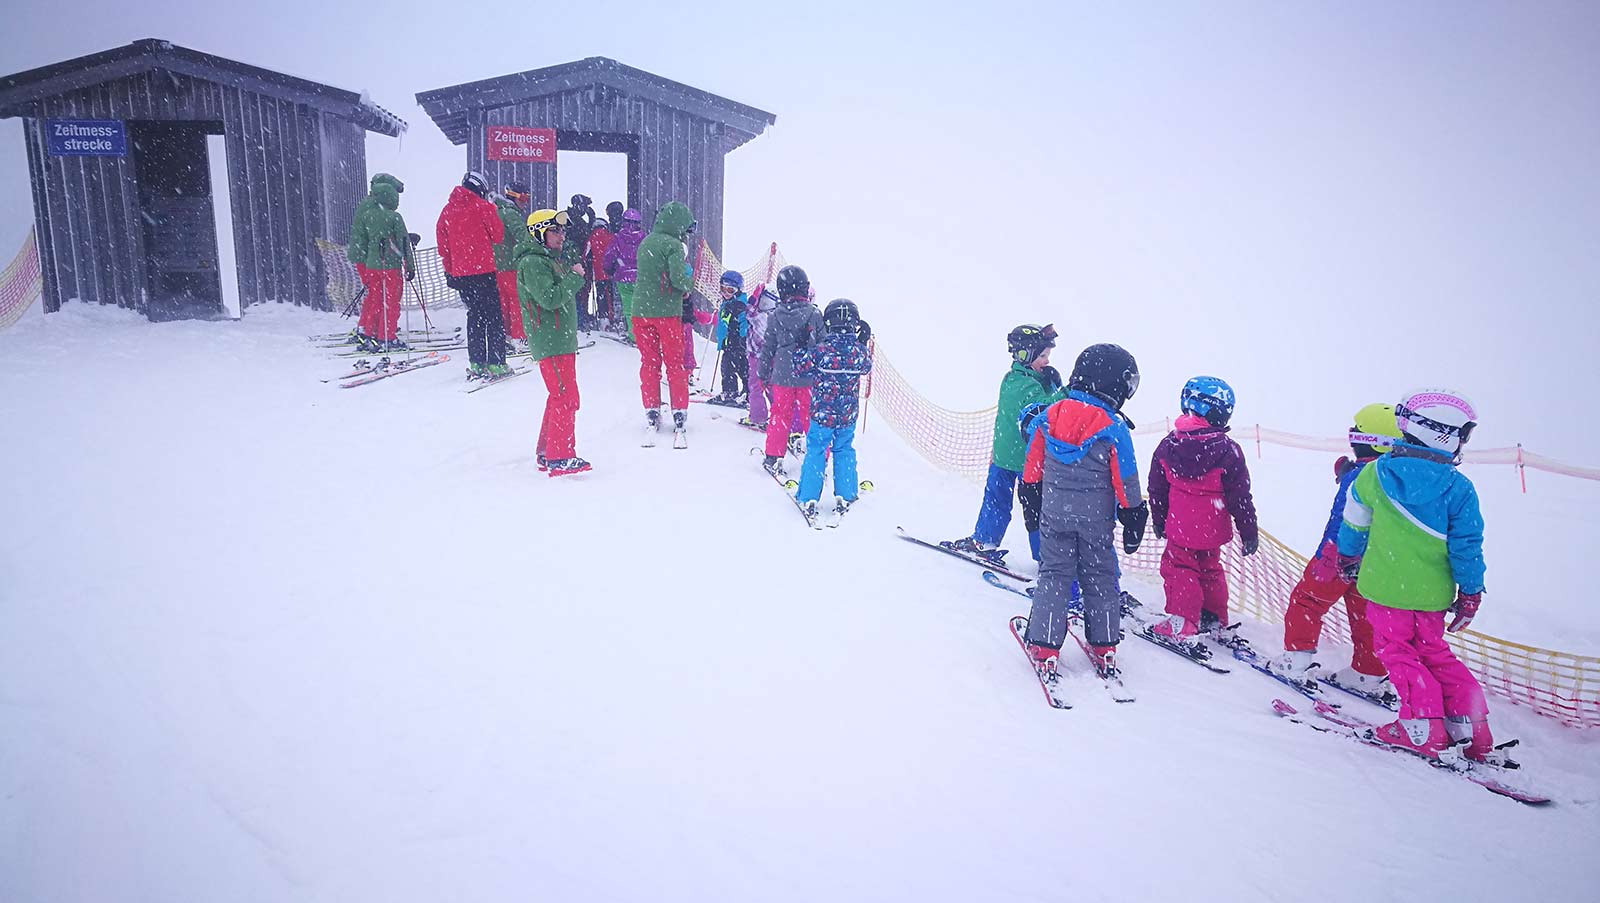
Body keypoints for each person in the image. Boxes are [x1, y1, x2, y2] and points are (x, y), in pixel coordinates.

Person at [1336, 389, 1502, 764]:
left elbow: (1354, 521)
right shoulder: (1459, 488)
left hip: (1385, 591)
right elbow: (1467, 547)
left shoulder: (1375, 474)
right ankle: (1470, 726)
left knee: (1398, 653)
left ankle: (1423, 727)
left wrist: (1348, 556)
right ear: (1445, 435)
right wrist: (1471, 591)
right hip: (1431, 596)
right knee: (1434, 653)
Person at [1020, 343, 1148, 681]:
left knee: (1055, 574)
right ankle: (1105, 644)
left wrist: (1030, 498)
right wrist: (1133, 514)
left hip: (1055, 515)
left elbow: (1032, 467)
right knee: (1101, 575)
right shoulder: (1113, 427)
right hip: (1096, 520)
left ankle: (1044, 646)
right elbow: (1127, 478)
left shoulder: (1049, 415)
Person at [1269, 404, 1402, 698]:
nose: (1352, 438)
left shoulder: (1361, 478)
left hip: (1339, 552)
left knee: (1307, 601)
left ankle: (1296, 659)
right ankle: (1369, 672)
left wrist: (1329, 555)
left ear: (1372, 441)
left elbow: (1349, 514)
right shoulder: (1392, 476)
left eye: (1356, 433)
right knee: (1366, 613)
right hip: (1374, 560)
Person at [1145, 377, 1260, 647]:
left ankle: (1183, 623)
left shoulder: (1169, 445)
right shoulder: (1229, 451)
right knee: (1210, 569)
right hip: (1212, 529)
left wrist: (1159, 519)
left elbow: (1157, 488)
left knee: (1179, 569)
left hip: (1180, 527)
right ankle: (1213, 617)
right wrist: (1248, 531)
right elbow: (1240, 496)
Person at [945, 324, 1064, 565]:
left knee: (998, 501)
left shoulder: (1015, 379)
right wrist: (1063, 392)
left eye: (1047, 356)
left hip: (1005, 456)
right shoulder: (1024, 384)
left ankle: (986, 539)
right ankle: (1047, 557)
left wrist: (1050, 383)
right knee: (1036, 509)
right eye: (1042, 356)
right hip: (1026, 461)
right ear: (1025, 355)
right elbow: (1045, 410)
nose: (1046, 361)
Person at [516, 209, 590, 476]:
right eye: (555, 231)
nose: (561, 236)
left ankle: (548, 451)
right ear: (539, 233)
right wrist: (575, 277)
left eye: (562, 231)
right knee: (565, 396)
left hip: (558, 339)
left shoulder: (548, 259)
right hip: (551, 340)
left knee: (560, 395)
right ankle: (560, 456)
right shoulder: (534, 263)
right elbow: (550, 298)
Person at [791, 299, 874, 519]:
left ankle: (808, 495)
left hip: (822, 414)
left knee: (817, 449)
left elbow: (800, 368)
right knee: (844, 449)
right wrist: (862, 342)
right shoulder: (857, 352)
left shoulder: (822, 350)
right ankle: (847, 493)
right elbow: (866, 366)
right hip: (847, 414)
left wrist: (801, 346)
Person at [631, 201, 697, 444]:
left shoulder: (646, 242)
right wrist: (688, 286)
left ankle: (652, 409)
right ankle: (679, 412)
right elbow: (678, 279)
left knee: (649, 363)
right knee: (675, 364)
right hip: (667, 312)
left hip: (641, 311)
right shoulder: (674, 245)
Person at [436, 171, 508, 379]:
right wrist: (493, 211)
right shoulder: (484, 207)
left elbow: (443, 247)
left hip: (461, 275)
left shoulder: (447, 210)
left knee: (475, 316)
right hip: (484, 272)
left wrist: (450, 271)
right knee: (493, 317)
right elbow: (498, 236)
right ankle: (496, 363)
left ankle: (477, 362)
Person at [758, 266, 823, 474]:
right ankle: (819, 455)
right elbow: (823, 344)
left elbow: (768, 348)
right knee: (811, 415)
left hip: (782, 375)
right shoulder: (814, 314)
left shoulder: (775, 316)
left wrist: (763, 374)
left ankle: (773, 455)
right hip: (808, 376)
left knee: (780, 414)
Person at [352, 180, 416, 351]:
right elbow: (403, 243)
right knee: (391, 302)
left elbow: (362, 241)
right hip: (390, 266)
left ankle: (370, 333)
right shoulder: (394, 217)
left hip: (372, 265)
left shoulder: (367, 216)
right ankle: (387, 337)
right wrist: (409, 266)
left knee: (376, 300)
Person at [493, 182, 531, 351]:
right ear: (514, 197)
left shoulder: (497, 211)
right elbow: (522, 236)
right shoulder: (511, 213)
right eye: (523, 198)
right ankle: (520, 337)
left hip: (497, 266)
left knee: (503, 302)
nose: (525, 203)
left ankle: (506, 336)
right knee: (517, 301)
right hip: (511, 264)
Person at [602, 208, 644, 342]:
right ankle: (644, 335)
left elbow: (609, 256)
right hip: (640, 277)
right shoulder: (644, 238)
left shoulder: (618, 238)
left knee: (628, 308)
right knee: (641, 307)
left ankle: (634, 336)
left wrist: (608, 269)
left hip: (623, 276)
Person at [743, 284, 780, 429]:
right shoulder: (776, 318)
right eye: (763, 301)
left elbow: (748, 310)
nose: (765, 305)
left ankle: (758, 417)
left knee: (755, 387)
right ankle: (779, 415)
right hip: (771, 358)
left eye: (768, 303)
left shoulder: (758, 316)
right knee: (770, 386)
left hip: (757, 357)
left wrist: (754, 297)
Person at [712, 271, 750, 404]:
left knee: (739, 367)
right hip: (728, 342)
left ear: (738, 290)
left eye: (730, 290)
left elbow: (745, 321)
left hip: (737, 343)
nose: (726, 293)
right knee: (729, 367)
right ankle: (732, 392)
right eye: (723, 289)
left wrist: (743, 338)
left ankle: (745, 393)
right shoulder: (726, 303)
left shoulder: (740, 305)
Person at [564, 194, 598, 329]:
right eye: (584, 206)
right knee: (578, 290)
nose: (585, 209)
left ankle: (580, 317)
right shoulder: (571, 219)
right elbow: (583, 236)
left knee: (580, 290)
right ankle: (578, 319)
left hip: (577, 260)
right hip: (574, 260)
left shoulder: (571, 217)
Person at [588, 201, 623, 327]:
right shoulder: (615, 232)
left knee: (602, 294)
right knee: (616, 295)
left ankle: (604, 319)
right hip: (615, 269)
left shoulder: (593, 235)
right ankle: (617, 319)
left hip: (600, 272)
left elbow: (587, 253)